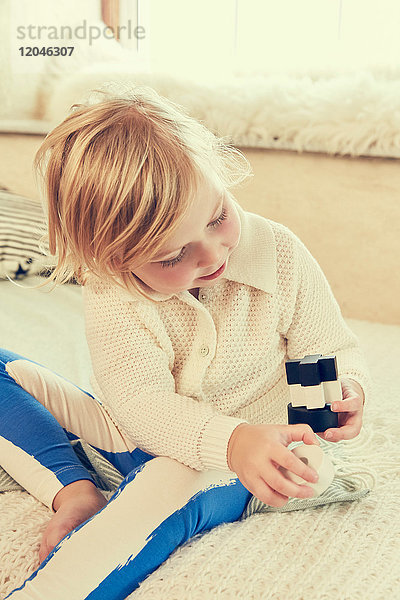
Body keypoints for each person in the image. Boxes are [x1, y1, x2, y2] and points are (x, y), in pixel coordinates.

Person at [1, 85, 371, 599]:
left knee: (167, 485)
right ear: (113, 260)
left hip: (267, 458)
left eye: (218, 216)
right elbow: (140, 406)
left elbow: (332, 343)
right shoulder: (114, 291)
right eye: (173, 256)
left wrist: (349, 386)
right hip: (145, 433)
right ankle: (76, 490)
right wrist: (226, 437)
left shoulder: (279, 252)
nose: (212, 253)